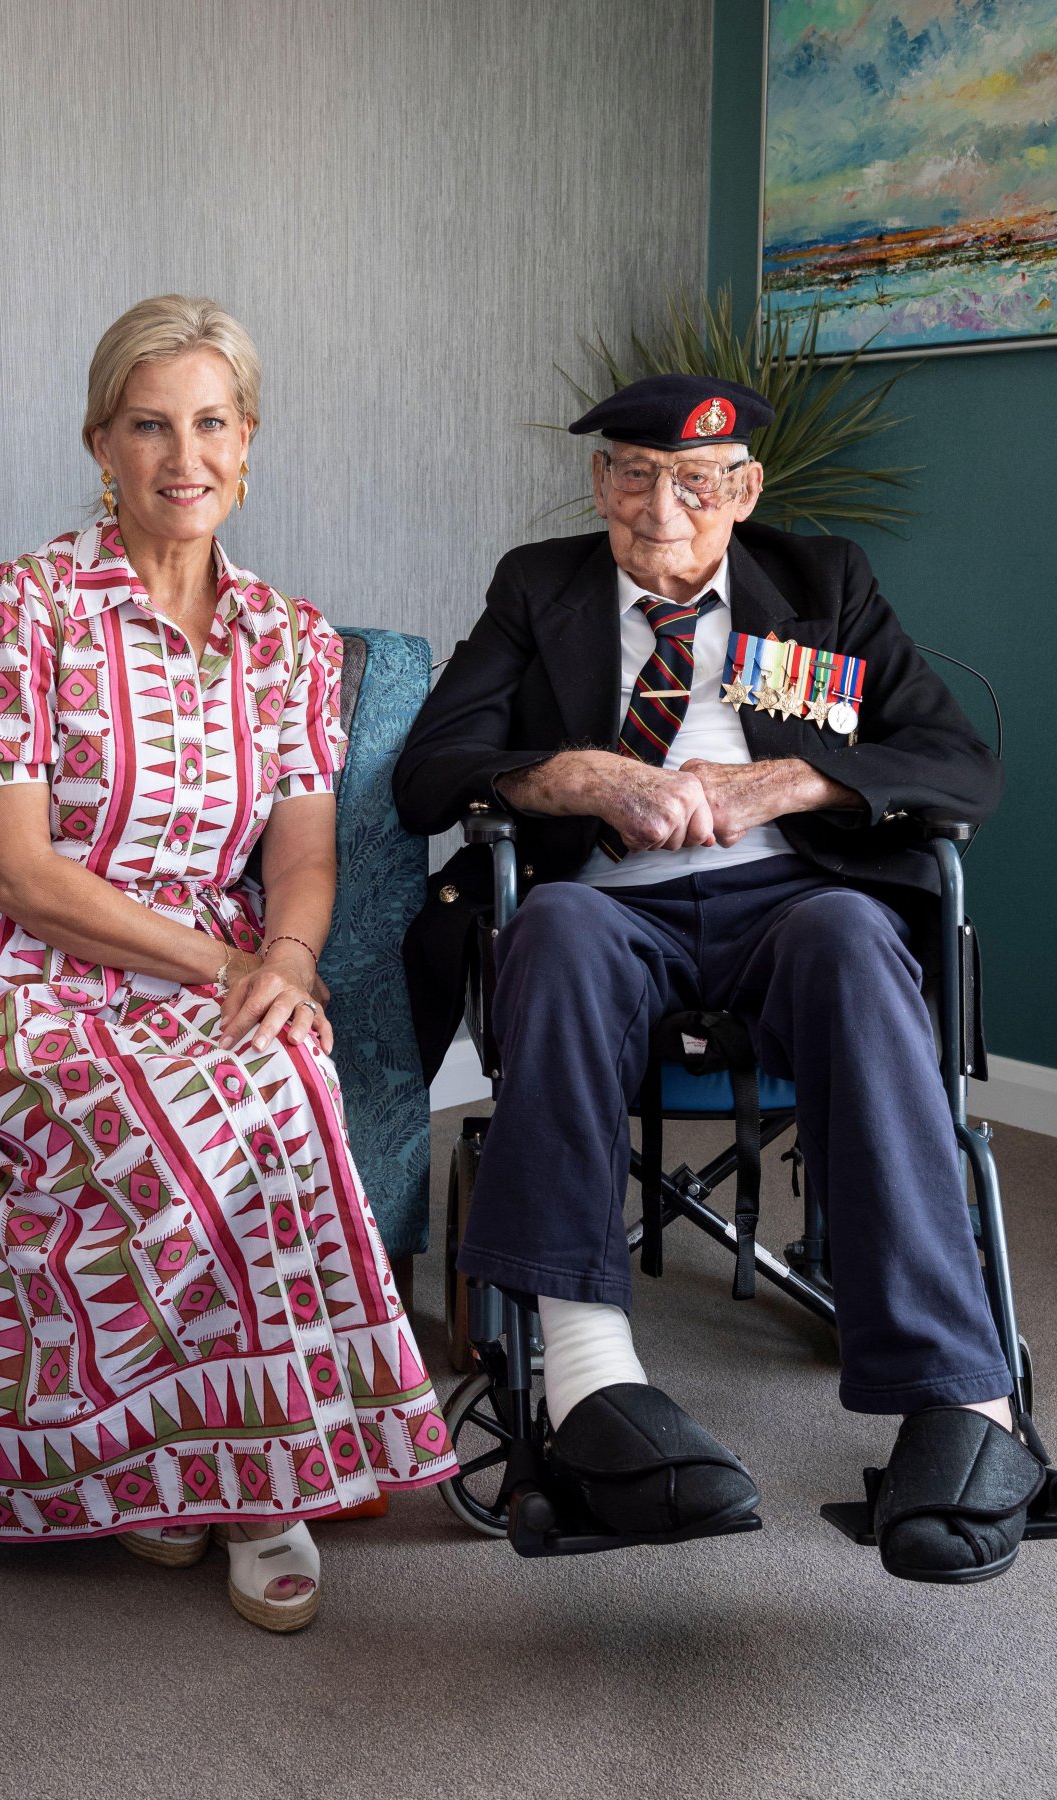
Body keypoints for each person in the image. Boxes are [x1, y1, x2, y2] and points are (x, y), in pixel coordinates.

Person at [393, 373, 1045, 1585]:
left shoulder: (823, 585)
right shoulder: (540, 587)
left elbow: (956, 763)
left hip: (792, 901)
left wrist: (792, 783)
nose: (659, 509)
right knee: (561, 935)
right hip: (610, 905)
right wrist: (587, 779)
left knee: (858, 940)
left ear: (743, 490)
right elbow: (434, 769)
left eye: (695, 482)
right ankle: (591, 1388)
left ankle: (967, 1405)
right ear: (600, 482)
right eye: (632, 475)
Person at [0, 294, 455, 1632]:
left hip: (214, 955)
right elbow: (22, 871)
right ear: (102, 443)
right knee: (186, 1121)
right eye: (150, 426)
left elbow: (303, 856)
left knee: (288, 1088)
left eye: (210, 424)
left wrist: (288, 959)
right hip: (21, 974)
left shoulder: (291, 641)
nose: (182, 456)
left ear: (248, 444)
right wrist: (223, 965)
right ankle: (220, 1484)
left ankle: (232, 1480)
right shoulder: (20, 608)